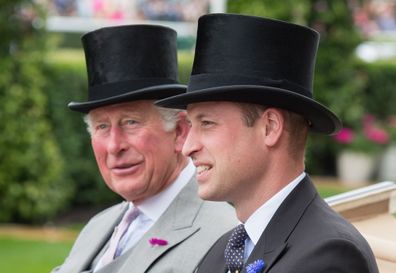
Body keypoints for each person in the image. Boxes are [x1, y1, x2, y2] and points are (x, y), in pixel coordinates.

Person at [156, 13, 379, 273]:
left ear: (270, 127)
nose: (188, 147)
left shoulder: (328, 256)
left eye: (207, 123)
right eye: (192, 125)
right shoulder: (222, 252)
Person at [51, 24, 237, 273]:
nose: (115, 146)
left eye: (131, 122)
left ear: (180, 132)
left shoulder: (225, 237)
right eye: (102, 127)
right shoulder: (98, 225)